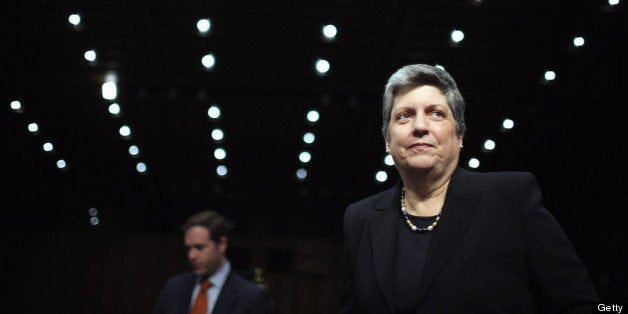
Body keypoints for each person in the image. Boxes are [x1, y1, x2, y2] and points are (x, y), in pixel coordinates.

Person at [341, 64, 599, 313]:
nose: (420, 126)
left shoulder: (511, 197)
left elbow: (579, 303)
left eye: (436, 113)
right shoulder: (360, 218)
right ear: (387, 139)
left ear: (460, 135)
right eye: (404, 115)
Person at [153, 211, 272, 314]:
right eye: (188, 249)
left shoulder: (250, 297)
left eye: (199, 247)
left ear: (221, 245)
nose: (191, 256)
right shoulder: (174, 288)